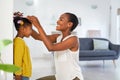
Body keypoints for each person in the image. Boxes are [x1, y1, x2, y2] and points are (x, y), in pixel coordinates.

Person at [28, 12, 84, 80]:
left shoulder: (73, 39)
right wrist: (27, 24)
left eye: (61, 20)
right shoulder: (57, 37)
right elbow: (37, 36)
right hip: (59, 77)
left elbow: (51, 47)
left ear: (69, 24)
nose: (57, 21)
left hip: (73, 78)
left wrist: (38, 26)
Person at [13, 12, 32, 80]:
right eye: (30, 29)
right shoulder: (19, 42)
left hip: (23, 75)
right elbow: (17, 59)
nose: (31, 32)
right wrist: (18, 75)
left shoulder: (18, 41)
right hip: (22, 76)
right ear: (22, 29)